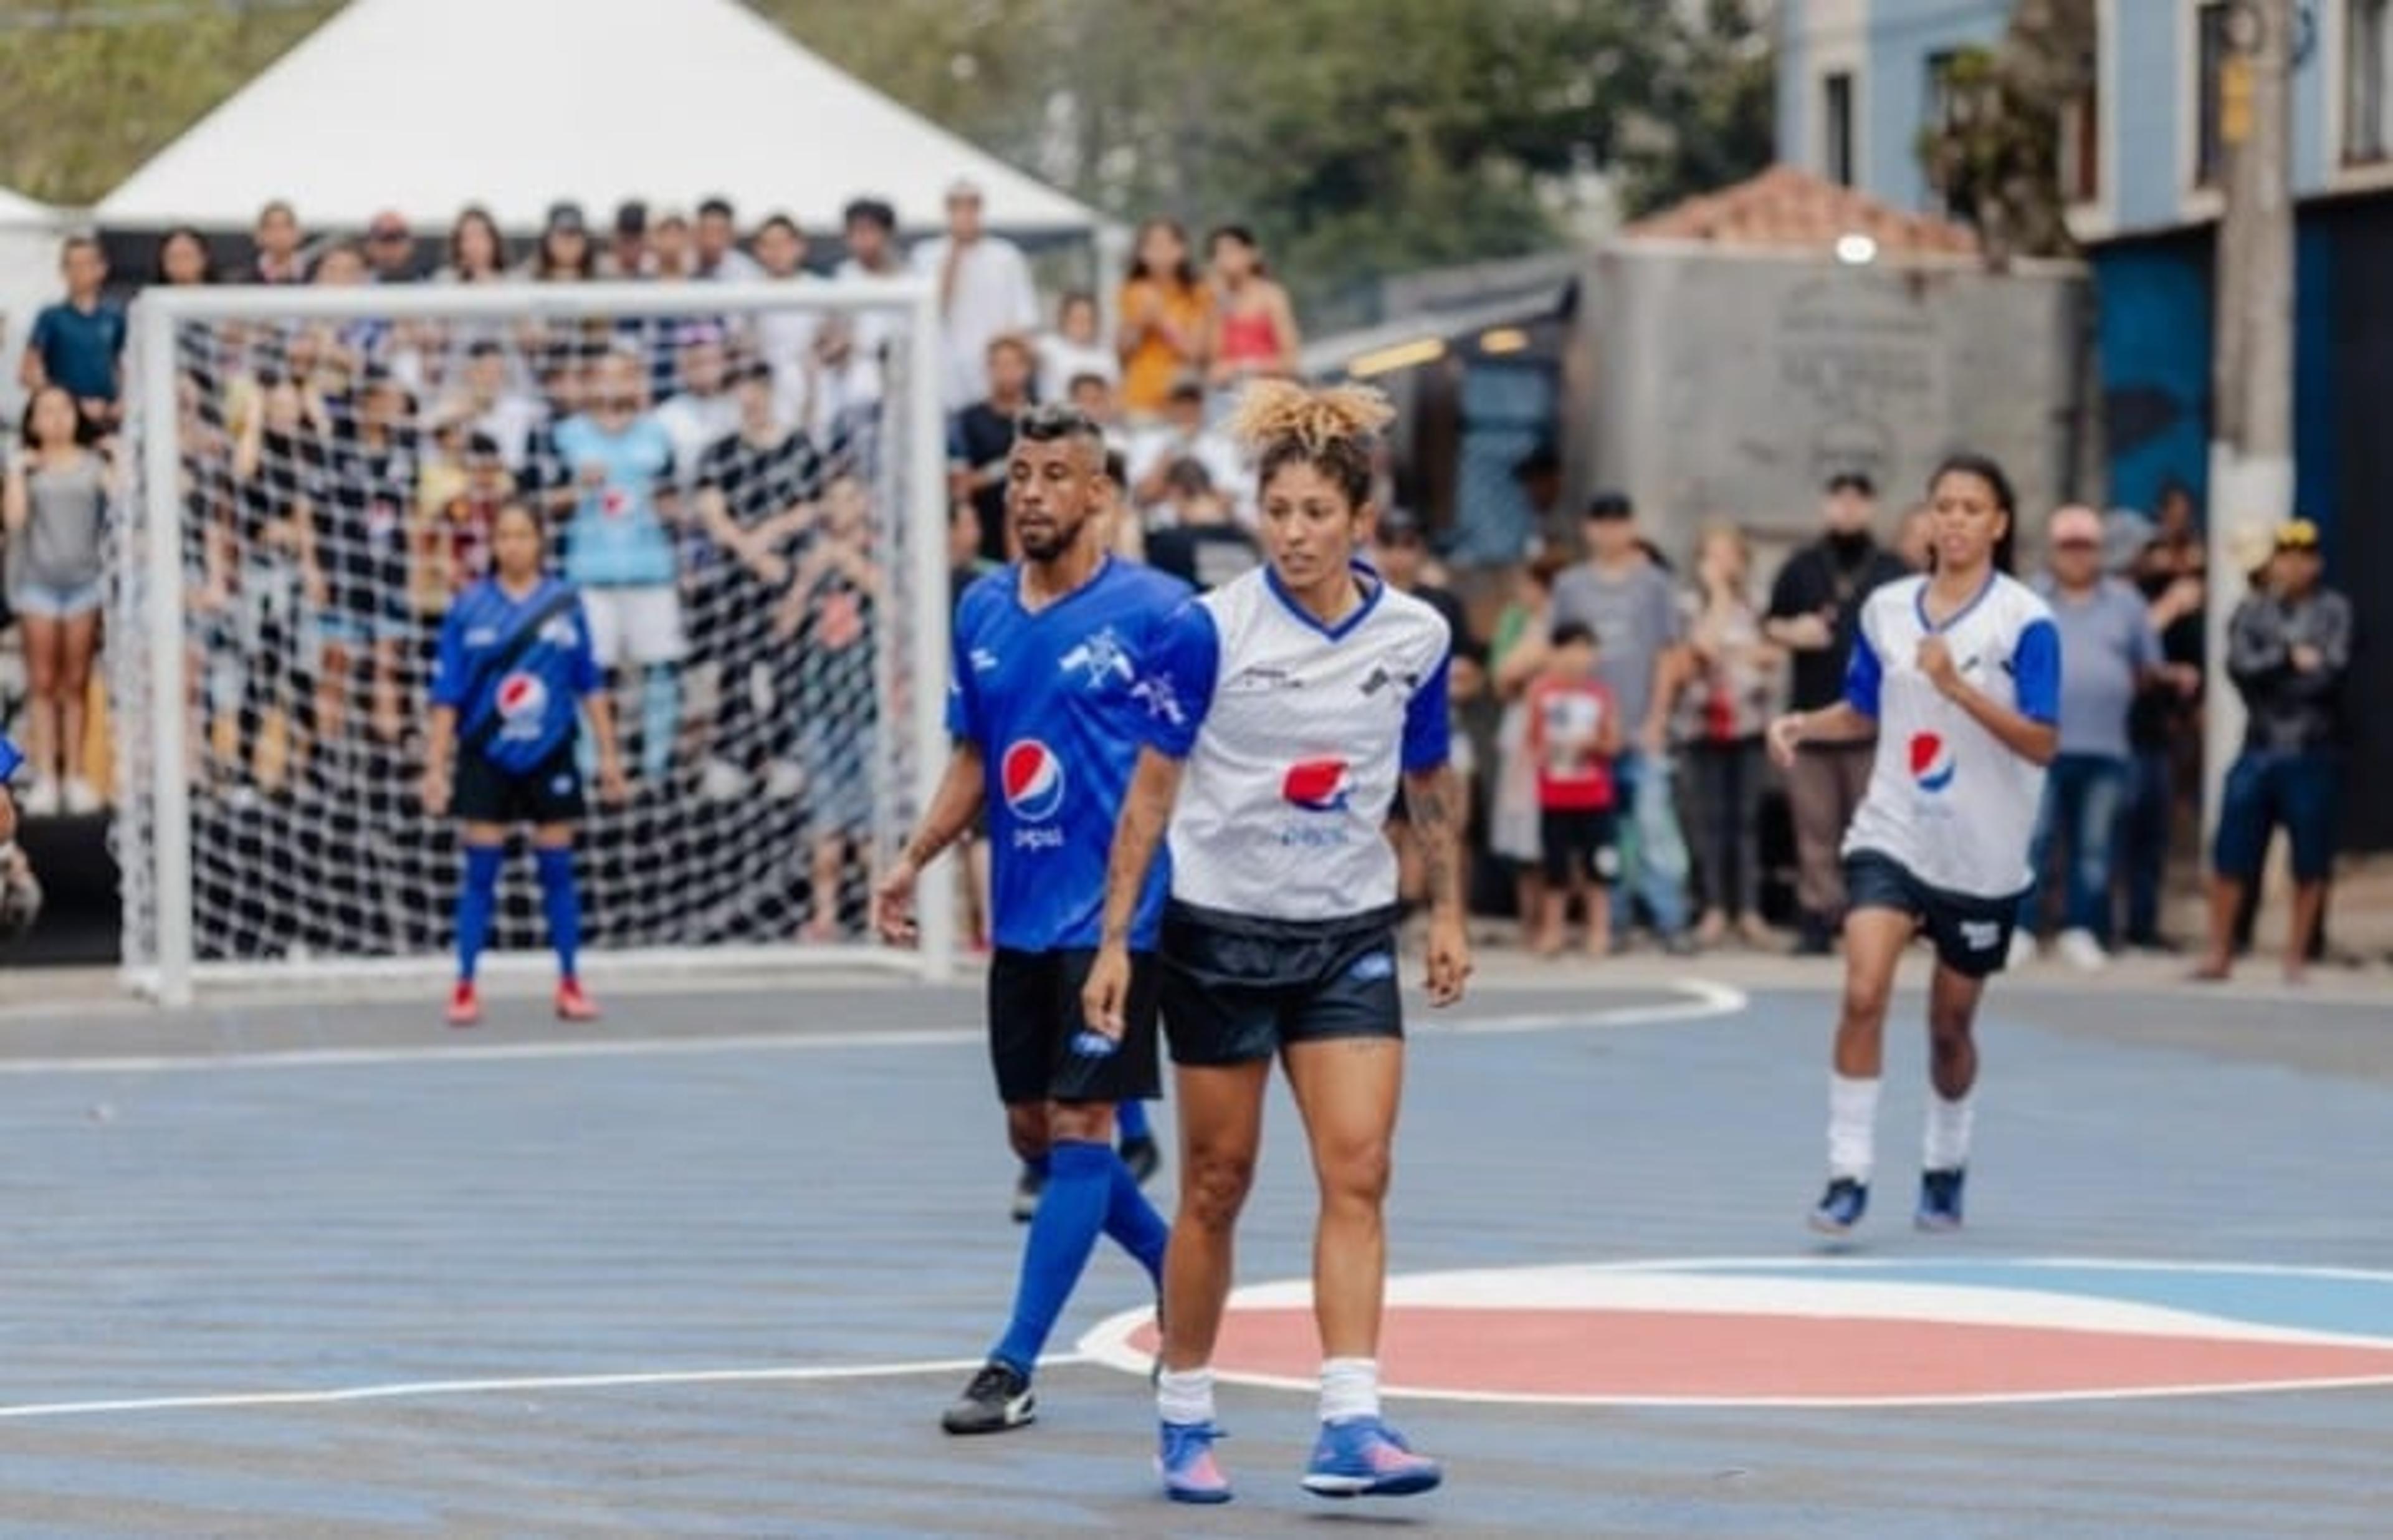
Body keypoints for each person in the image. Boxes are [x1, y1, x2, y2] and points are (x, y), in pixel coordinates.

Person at [1084, 379, 1466, 1506]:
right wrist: (1116, 942)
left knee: (1361, 1170)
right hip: (1220, 936)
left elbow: (1429, 781)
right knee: (1216, 1182)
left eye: (1315, 513)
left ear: (1360, 516)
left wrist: (1444, 908)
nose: (1294, 533)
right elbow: (1149, 798)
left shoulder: (1417, 633)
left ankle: (1350, 1420)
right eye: (1279, 511)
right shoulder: (1206, 631)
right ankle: (1185, 1410)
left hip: (1347, 934)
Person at [871, 403, 1182, 1435]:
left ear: (1099, 493)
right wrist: (915, 859)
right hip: (1022, 923)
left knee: (1087, 1129)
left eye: (1056, 474)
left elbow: (1184, 770)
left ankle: (1012, 1365)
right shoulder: (982, 611)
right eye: (1019, 475)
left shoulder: (1159, 613)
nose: (1033, 492)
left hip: (1118, 929)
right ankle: (1187, 1276)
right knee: (1037, 1135)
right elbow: (975, 757)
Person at [1765, 454, 2058, 1236]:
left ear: (1998, 523)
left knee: (1949, 1027)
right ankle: (1848, 1171)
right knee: (1863, 991)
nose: (1956, 520)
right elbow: (1863, 709)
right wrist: (1806, 723)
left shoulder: (2024, 621)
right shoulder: (1887, 609)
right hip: (1893, 830)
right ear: (1928, 520)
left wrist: (1958, 686)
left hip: (1983, 854)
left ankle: (1944, 1161)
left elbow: (2042, 741)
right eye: (1944, 506)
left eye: (1972, 507)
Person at [421, 501, 629, 1026]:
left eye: (522, 535)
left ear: (540, 541)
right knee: (480, 871)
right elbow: (447, 694)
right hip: (487, 754)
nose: (513, 545)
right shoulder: (469, 607)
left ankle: (569, 980)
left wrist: (608, 755)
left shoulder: (564, 603)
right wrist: (435, 767)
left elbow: (590, 684)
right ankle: (465, 984)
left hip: (550, 750)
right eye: (504, 535)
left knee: (558, 869)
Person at [2193, 519, 2351, 985]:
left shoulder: (2333, 610)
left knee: (2310, 857)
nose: (2295, 564)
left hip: (2310, 746)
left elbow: (2331, 674)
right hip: (2259, 745)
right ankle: (2220, 950)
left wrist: (2280, 672)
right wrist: (2288, 658)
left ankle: (2297, 955)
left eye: (2304, 556)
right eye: (2286, 555)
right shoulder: (2253, 611)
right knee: (2232, 852)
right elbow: (2241, 668)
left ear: (2316, 562)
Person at [1766, 471, 1911, 954]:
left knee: (1872, 829)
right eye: (1839, 499)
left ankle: (1873, 915)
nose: (1847, 509)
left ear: (1870, 507)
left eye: (1857, 501)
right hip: (1812, 715)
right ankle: (1817, 914)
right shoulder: (1802, 566)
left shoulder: (1892, 569)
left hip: (1874, 722)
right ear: (1827, 504)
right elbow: (1770, 623)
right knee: (1815, 829)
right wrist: (1793, 631)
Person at [2014, 505, 2161, 970]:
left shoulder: (2126, 602)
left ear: (2100, 552)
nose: (2077, 557)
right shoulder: (2029, 599)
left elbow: (2145, 669)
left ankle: (2083, 928)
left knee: (2095, 847)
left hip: (2105, 744)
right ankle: (2021, 928)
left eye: (2086, 547)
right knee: (2032, 842)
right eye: (2068, 547)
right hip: (2039, 745)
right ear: (2053, 552)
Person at [1552, 492, 1693, 952]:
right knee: (1604, 835)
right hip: (1588, 735)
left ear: (1631, 527)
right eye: (1600, 521)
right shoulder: (1570, 586)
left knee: (1654, 827)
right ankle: (1612, 920)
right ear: (1588, 528)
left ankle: (1671, 919)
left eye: (1618, 522)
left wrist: (1657, 718)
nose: (1609, 531)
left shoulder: (1653, 583)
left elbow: (1668, 654)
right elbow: (1559, 653)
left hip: (1639, 725)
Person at [4, 385, 112, 814]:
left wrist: (118, 457)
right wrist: (15, 471)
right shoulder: (27, 468)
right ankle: (47, 775)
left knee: (75, 683)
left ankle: (76, 776)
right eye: (45, 411)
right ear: (32, 420)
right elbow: (13, 520)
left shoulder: (93, 464)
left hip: (84, 583)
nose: (55, 418)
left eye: (63, 409)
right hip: (37, 586)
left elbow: (121, 499)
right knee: (43, 683)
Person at [1675, 524, 1783, 949]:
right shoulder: (1688, 604)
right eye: (1713, 554)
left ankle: (1750, 910)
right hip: (1701, 725)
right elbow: (1700, 648)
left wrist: (1734, 652)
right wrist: (1717, 599)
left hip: (1748, 723)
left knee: (1747, 822)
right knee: (1709, 821)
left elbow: (1773, 653)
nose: (1722, 564)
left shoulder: (1758, 605)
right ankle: (1714, 908)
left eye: (1729, 555)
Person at [1527, 621, 1622, 956]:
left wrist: (1593, 744)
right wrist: (1545, 753)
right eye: (1569, 649)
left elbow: (1614, 743)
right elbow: (1531, 743)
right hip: (1554, 795)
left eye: (1585, 650)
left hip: (1595, 796)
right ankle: (1554, 931)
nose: (1577, 658)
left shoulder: (1601, 695)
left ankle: (1599, 931)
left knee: (1599, 866)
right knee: (1556, 867)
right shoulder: (1542, 693)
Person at [915, 180, 1039, 411]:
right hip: (945, 383)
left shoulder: (1007, 256)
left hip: (996, 389)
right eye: (957, 207)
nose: (965, 214)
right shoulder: (926, 255)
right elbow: (932, 309)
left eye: (971, 207)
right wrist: (955, 250)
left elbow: (1024, 321)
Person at [20, 235, 127, 435]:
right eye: (73, 265)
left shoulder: (114, 316)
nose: (80, 271)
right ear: (63, 271)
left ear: (102, 268)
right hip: (65, 424)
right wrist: (69, 403)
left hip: (106, 419)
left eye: (87, 264)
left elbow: (120, 364)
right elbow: (29, 371)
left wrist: (120, 402)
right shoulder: (51, 317)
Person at [1117, 221, 1210, 420]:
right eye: (1152, 246)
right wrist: (1140, 323)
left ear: (1181, 250)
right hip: (1141, 397)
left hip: (1183, 398)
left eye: (1167, 245)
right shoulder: (1132, 291)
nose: (1160, 254)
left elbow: (1195, 353)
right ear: (1141, 254)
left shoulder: (1197, 293)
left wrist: (1161, 320)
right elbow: (1123, 354)